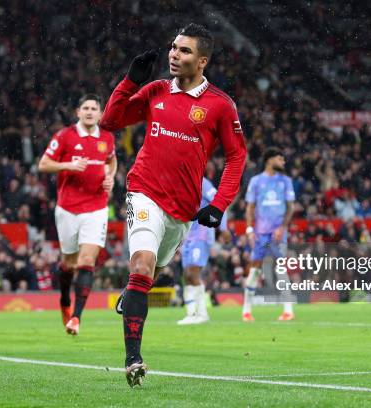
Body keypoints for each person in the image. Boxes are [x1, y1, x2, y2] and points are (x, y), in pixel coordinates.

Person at [100, 24, 246, 387]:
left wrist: (219, 204)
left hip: (183, 208)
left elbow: (237, 156)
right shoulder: (155, 91)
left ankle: (133, 293)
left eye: (183, 51)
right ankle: (133, 359)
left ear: (202, 61)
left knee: (153, 271)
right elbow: (110, 121)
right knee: (142, 264)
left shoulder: (220, 105)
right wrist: (129, 82)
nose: (173, 55)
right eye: (173, 47)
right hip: (143, 188)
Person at [38, 94, 116, 336]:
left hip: (96, 208)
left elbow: (111, 162)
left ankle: (76, 318)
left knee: (87, 261)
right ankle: (64, 299)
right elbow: (43, 164)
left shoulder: (107, 138)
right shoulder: (64, 136)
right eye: (86, 108)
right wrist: (67, 166)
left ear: (100, 114)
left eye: (94, 108)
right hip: (68, 208)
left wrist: (111, 177)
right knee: (69, 263)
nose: (90, 112)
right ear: (78, 112)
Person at [242, 147, 295, 322]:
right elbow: (250, 207)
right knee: (255, 268)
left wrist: (282, 228)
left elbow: (290, 208)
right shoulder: (256, 181)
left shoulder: (285, 181)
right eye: (280, 159)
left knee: (281, 268)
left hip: (278, 233)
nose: (283, 162)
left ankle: (288, 310)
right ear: (269, 160)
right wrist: (249, 229)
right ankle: (247, 310)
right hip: (260, 233)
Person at [178, 177, 229, 325]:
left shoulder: (202, 182)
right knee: (186, 275)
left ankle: (201, 313)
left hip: (202, 233)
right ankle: (191, 313)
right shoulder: (181, 182)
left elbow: (220, 203)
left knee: (192, 273)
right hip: (187, 236)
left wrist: (223, 228)